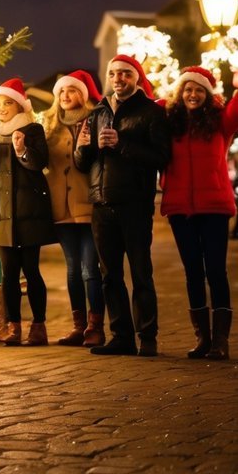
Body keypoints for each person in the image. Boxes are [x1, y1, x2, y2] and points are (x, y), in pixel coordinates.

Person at [74, 53, 170, 357]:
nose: (119, 79)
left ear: (136, 78)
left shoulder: (151, 112)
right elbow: (82, 164)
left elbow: (162, 158)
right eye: (114, 74)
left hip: (134, 204)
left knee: (141, 272)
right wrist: (85, 147)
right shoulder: (97, 112)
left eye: (125, 74)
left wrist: (122, 144)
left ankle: (148, 336)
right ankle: (121, 336)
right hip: (101, 204)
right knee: (109, 275)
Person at [160, 65, 238, 360]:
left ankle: (221, 340)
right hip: (180, 208)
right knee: (193, 272)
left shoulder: (220, 121)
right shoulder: (170, 121)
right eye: (188, 89)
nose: (193, 94)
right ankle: (202, 338)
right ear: (180, 93)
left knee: (216, 270)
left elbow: (236, 110)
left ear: (207, 94)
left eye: (198, 90)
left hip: (214, 206)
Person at [0, 77, 56, 346]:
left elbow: (38, 164)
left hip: (28, 212)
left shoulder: (32, 129)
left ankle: (39, 325)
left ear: (19, 106)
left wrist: (22, 150)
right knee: (8, 272)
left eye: (7, 103)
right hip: (2, 213)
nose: (1, 108)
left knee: (31, 269)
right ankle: (13, 326)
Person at [42, 69, 105, 347]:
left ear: (83, 94)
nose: (66, 96)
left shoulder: (94, 120)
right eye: (62, 92)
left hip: (88, 202)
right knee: (71, 268)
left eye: (72, 90)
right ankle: (78, 325)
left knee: (90, 267)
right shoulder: (48, 124)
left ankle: (95, 325)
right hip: (60, 206)